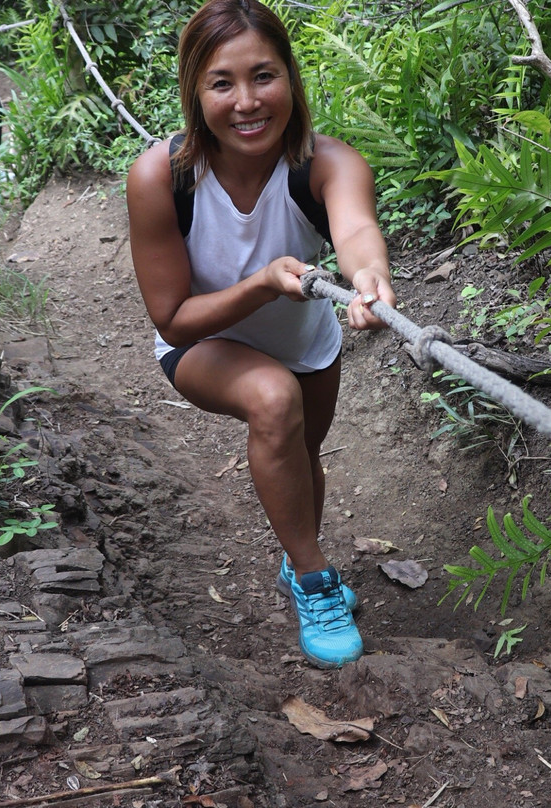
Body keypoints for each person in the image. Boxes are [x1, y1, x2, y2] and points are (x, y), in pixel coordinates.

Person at [126, 0, 395, 669]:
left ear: (291, 80)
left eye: (264, 76)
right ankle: (314, 579)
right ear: (195, 93)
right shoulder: (161, 177)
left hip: (306, 344)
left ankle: (297, 553)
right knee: (274, 401)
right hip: (199, 344)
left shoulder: (326, 163)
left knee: (302, 453)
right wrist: (262, 283)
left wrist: (369, 276)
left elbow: (356, 229)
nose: (247, 101)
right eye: (222, 83)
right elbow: (171, 317)